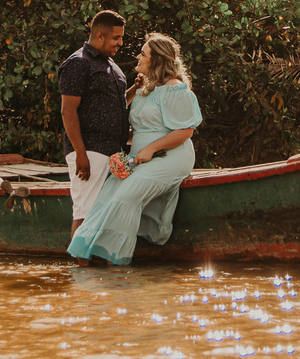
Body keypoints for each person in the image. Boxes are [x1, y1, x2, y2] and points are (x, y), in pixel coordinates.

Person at [67, 32, 202, 266]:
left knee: (126, 196)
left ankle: (117, 264)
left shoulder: (174, 88)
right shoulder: (145, 89)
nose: (138, 56)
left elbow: (185, 132)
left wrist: (150, 149)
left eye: (143, 53)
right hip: (139, 158)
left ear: (157, 60)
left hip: (170, 157)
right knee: (108, 194)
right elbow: (140, 128)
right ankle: (90, 261)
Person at [59, 10, 141, 259]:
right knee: (85, 213)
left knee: (105, 213)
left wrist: (136, 88)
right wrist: (80, 154)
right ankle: (80, 277)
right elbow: (68, 111)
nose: (120, 43)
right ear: (99, 35)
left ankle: (98, 282)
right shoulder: (78, 63)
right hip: (90, 151)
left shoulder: (111, 66)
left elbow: (116, 105)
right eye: (116, 38)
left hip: (113, 151)